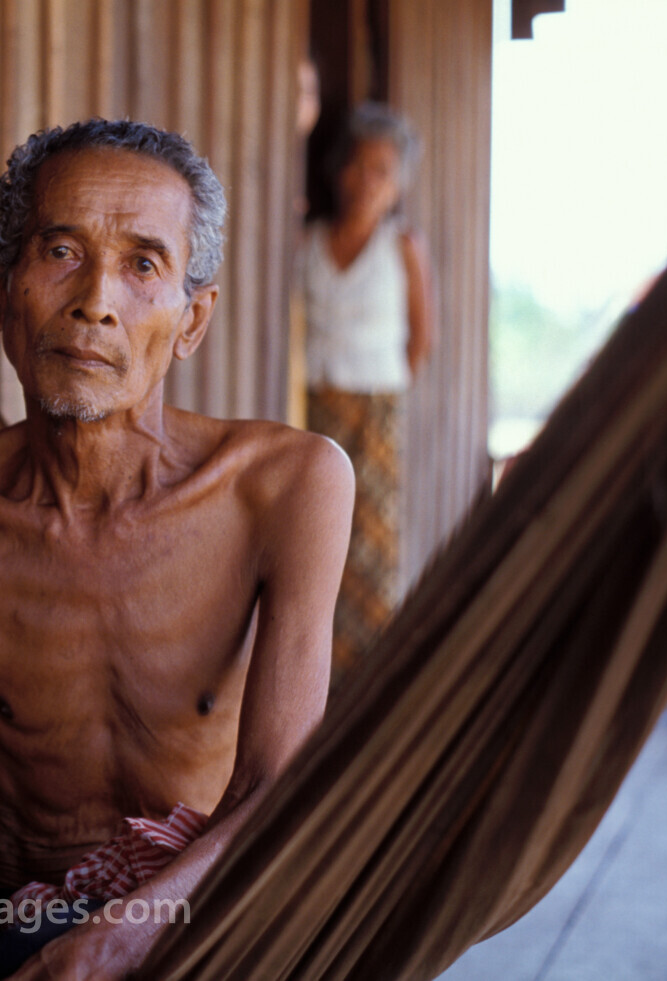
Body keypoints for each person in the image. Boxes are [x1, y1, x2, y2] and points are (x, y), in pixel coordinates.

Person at [0, 119, 353, 981]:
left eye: (143, 265)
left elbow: (275, 794)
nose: (97, 300)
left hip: (194, 922)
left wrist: (122, 936)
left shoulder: (286, 488)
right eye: (61, 251)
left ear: (192, 319)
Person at [298, 102, 435, 678]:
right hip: (316, 403)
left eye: (382, 170)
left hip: (378, 411)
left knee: (371, 545)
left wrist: (381, 388)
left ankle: (367, 674)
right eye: (357, 166)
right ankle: (314, 666)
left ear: (399, 183)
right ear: (336, 171)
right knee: (315, 536)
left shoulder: (402, 246)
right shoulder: (307, 241)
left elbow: (421, 340)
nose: (366, 181)